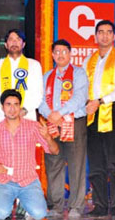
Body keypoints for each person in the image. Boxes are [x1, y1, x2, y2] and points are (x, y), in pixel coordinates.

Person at [82, 20, 115, 218]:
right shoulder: (89, 60)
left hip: (113, 112)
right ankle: (100, 204)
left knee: (113, 163)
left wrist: (102, 101)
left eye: (108, 32)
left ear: (114, 36)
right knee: (96, 164)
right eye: (100, 32)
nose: (104, 36)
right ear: (95, 36)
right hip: (92, 115)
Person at [0, 89, 59, 220]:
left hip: (28, 180)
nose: (12, 108)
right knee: (0, 213)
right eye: (8, 104)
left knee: (39, 213)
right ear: (2, 107)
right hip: (4, 181)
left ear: (20, 106)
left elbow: (55, 151)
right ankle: (7, 204)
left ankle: (24, 204)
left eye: (16, 104)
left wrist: (48, 137)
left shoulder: (33, 126)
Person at [38, 39, 88, 218]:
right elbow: (40, 100)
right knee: (53, 165)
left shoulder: (79, 73)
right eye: (57, 52)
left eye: (64, 51)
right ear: (52, 55)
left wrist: (59, 113)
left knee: (77, 166)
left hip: (74, 122)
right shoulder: (47, 76)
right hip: (52, 124)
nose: (60, 55)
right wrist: (51, 115)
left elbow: (80, 98)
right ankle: (57, 206)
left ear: (70, 53)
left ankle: (76, 207)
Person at [0, 29, 43, 125]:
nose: (14, 42)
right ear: (6, 45)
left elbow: (38, 94)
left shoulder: (34, 65)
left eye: (17, 39)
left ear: (23, 44)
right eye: (11, 39)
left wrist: (24, 110)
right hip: (2, 117)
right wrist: (7, 111)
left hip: (26, 116)